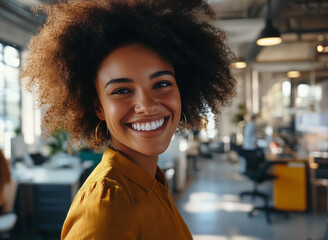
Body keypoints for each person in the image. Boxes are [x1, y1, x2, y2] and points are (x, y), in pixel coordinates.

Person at [20, 0, 236, 239]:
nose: (146, 105)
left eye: (162, 84)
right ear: (98, 107)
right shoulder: (106, 205)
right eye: (121, 90)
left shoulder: (150, 182)